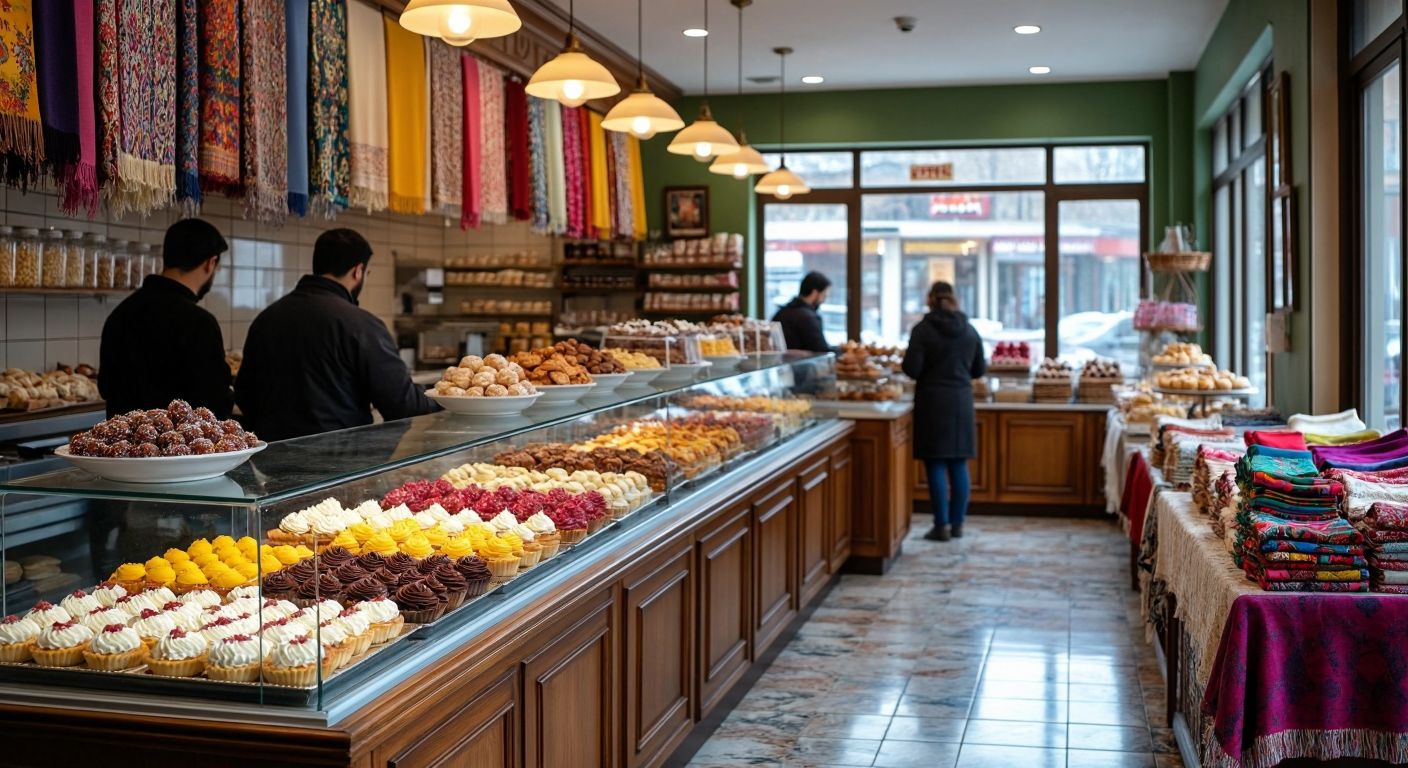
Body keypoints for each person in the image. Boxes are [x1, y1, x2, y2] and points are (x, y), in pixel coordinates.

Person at [235, 228, 436, 441]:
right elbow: (403, 404)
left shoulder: (267, 317)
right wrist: (446, 396)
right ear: (358, 271)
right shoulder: (361, 324)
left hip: (271, 461)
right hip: (339, 464)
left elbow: (245, 395)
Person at [99, 218, 232, 418]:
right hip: (179, 448)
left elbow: (105, 387)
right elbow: (215, 404)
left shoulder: (120, 314)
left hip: (125, 445)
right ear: (210, 263)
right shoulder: (199, 323)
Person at [902, 281, 986, 541]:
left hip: (932, 402)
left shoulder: (922, 331)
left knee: (936, 463)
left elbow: (912, 369)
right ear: (954, 299)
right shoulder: (969, 330)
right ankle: (958, 524)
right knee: (959, 463)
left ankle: (941, 526)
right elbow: (979, 370)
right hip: (961, 401)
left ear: (930, 299)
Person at [772, 271, 832, 353]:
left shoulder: (781, 312)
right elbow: (821, 350)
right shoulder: (808, 317)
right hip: (802, 365)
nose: (823, 301)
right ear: (815, 293)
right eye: (824, 296)